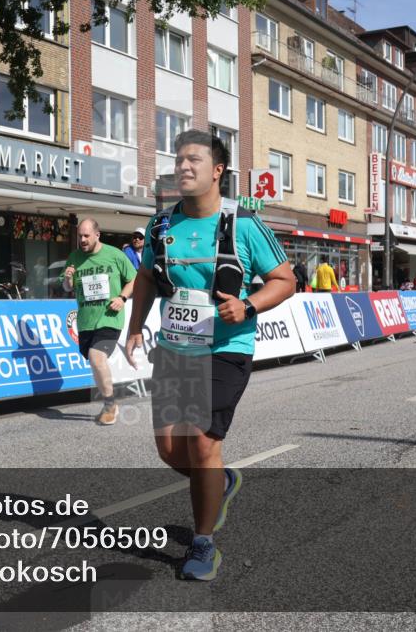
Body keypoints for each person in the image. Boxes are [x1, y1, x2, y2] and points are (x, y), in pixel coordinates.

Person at [124, 130, 295, 581]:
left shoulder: (244, 225)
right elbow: (144, 280)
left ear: (217, 170)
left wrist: (249, 304)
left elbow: (284, 280)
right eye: (179, 160)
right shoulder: (161, 225)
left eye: (194, 160)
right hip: (177, 349)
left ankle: (203, 544)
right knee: (168, 450)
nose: (183, 167)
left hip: (226, 347)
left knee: (201, 442)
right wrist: (137, 326)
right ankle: (220, 482)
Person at [61, 219, 136, 425]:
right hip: (86, 321)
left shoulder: (115, 255)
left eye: (86, 236)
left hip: (110, 318)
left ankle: (110, 404)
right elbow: (68, 288)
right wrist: (68, 278)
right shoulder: (74, 258)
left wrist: (122, 298)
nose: (83, 240)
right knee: (94, 363)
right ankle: (109, 402)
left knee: (96, 358)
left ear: (97, 235)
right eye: (80, 236)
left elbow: (133, 279)